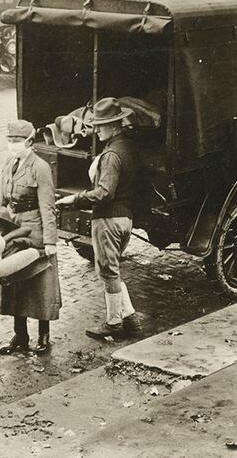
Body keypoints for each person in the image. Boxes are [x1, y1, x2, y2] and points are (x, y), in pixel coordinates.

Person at [57, 97, 143, 341]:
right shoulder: (128, 147)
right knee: (112, 271)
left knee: (108, 273)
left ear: (114, 125)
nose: (96, 129)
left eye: (101, 125)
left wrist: (74, 200)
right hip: (125, 219)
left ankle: (114, 323)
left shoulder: (112, 156)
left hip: (108, 221)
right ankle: (131, 320)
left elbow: (104, 193)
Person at [0, 120, 61, 356]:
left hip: (34, 231)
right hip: (12, 228)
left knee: (40, 284)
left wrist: (50, 241)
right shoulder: (9, 163)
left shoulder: (40, 167)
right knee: (14, 281)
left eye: (17, 141)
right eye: (10, 140)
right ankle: (20, 335)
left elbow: (48, 206)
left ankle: (44, 334)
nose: (12, 145)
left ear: (30, 142)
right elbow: (0, 199)